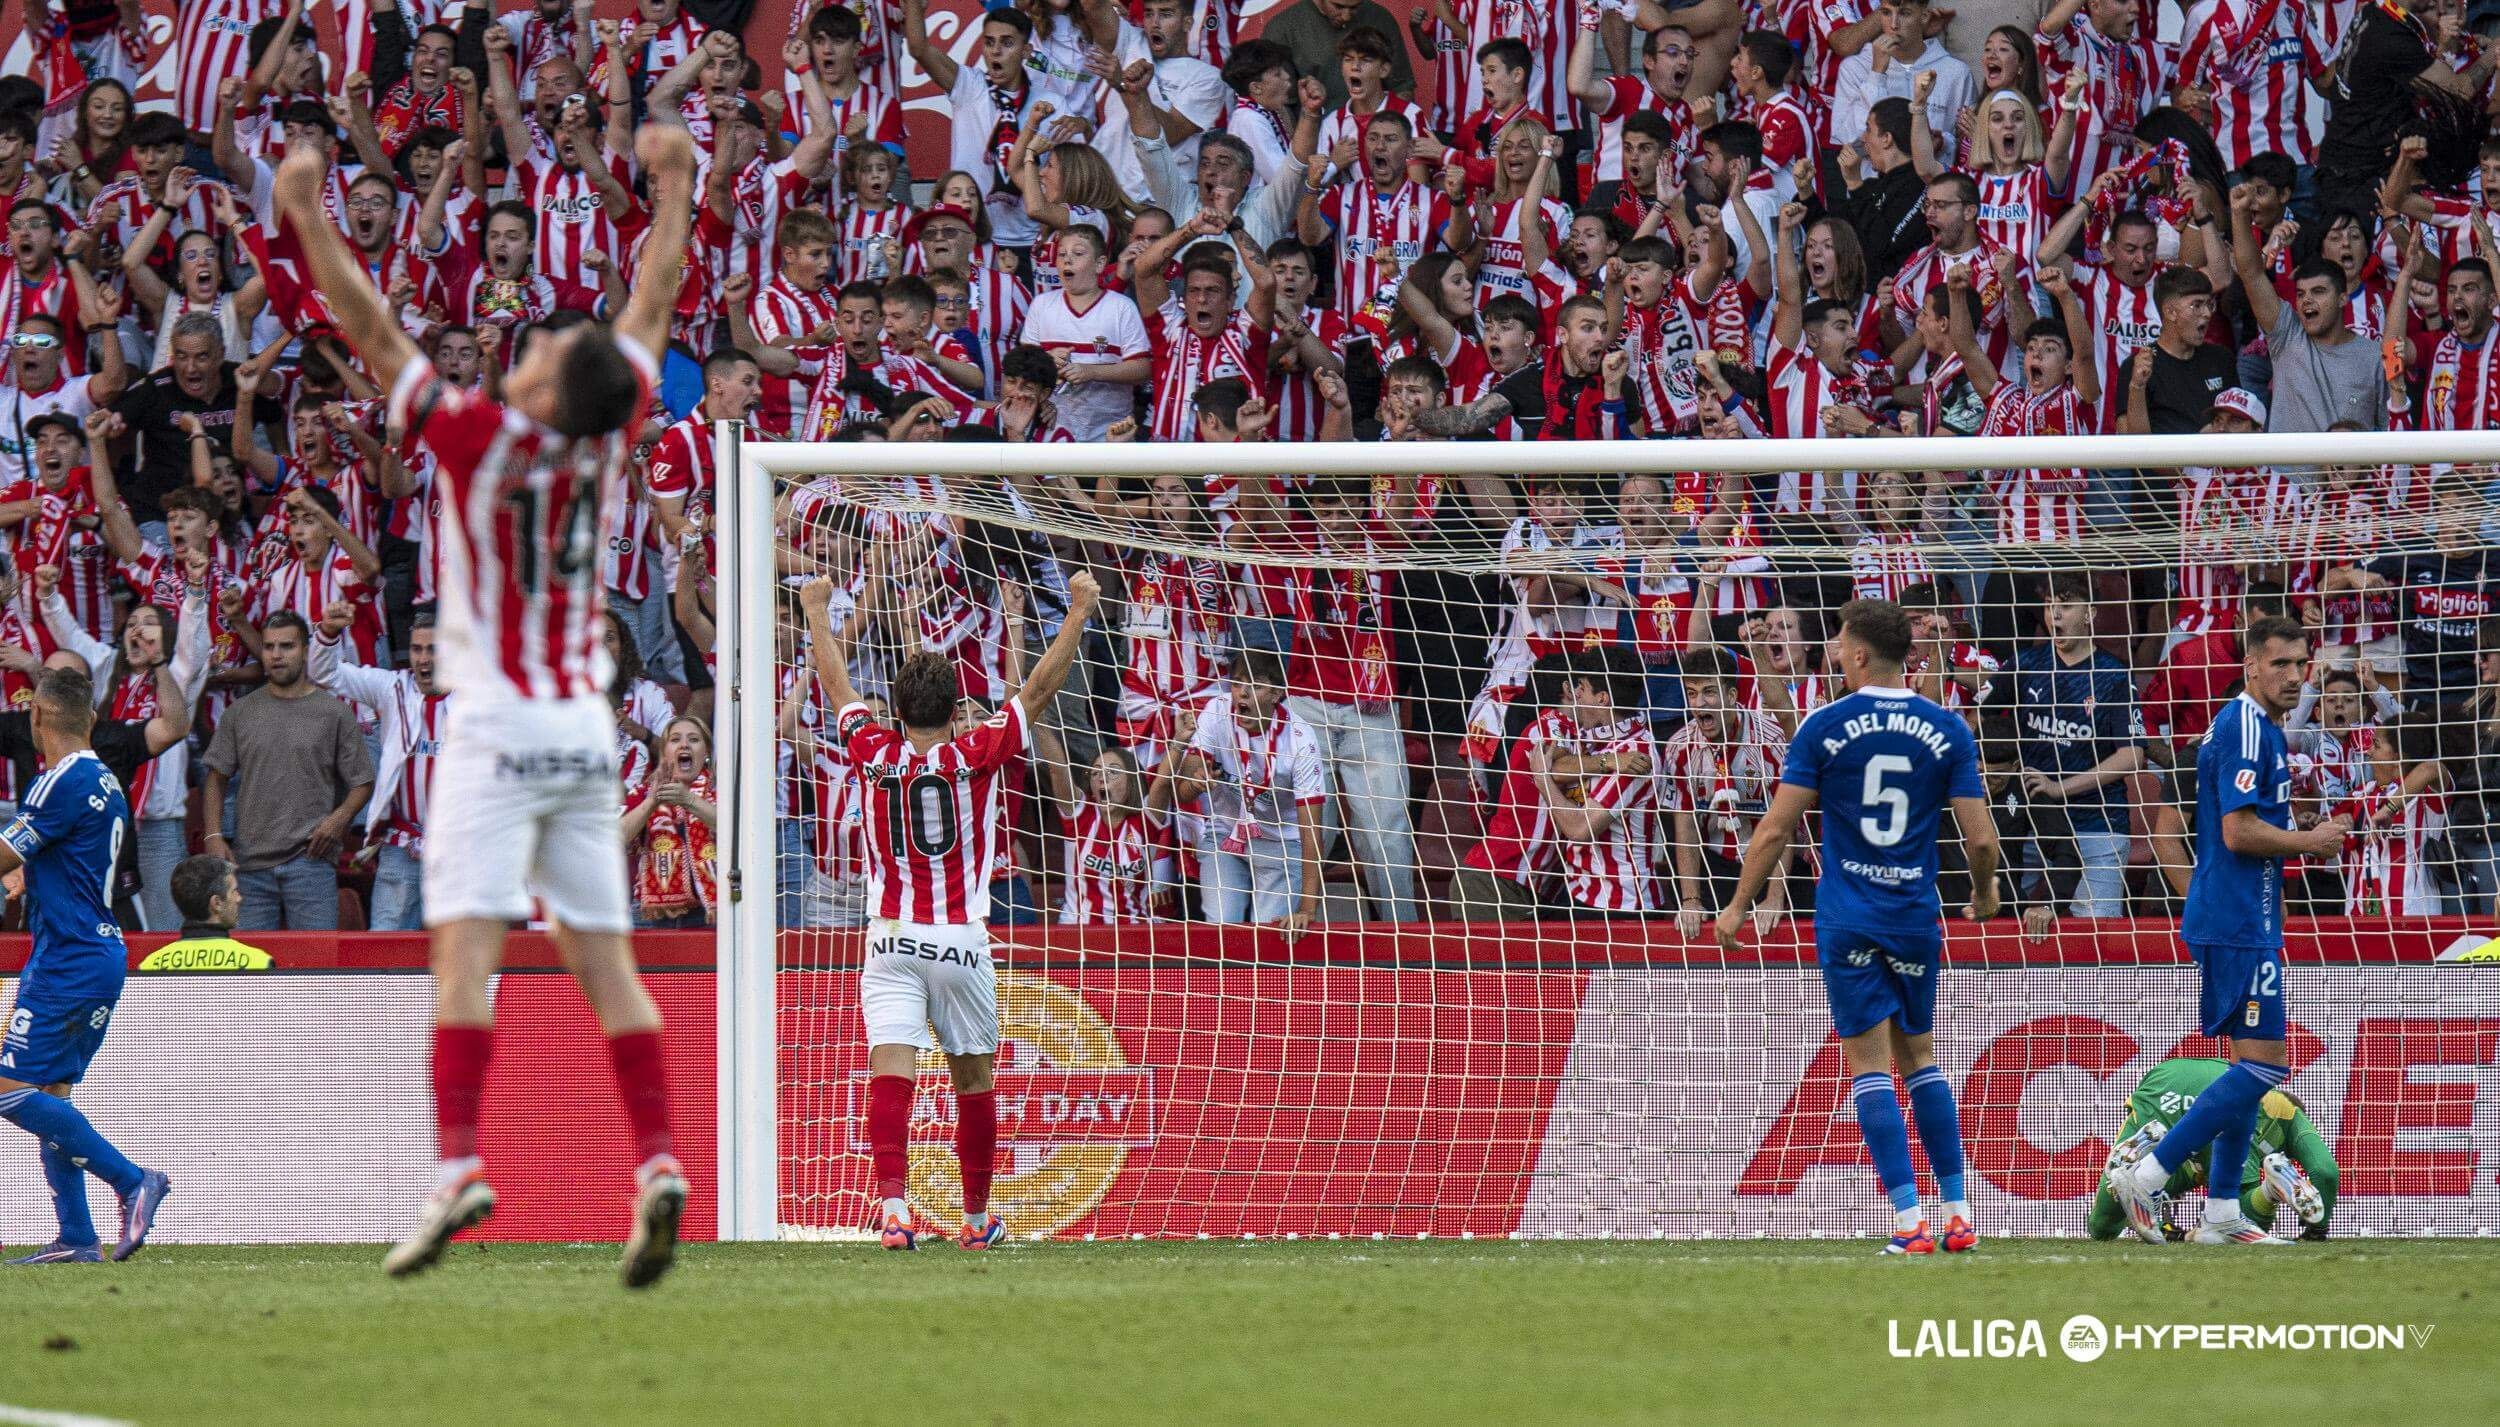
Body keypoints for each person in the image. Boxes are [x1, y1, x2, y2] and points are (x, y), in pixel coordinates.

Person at [274, 118, 703, 1286]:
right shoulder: (603, 441)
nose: (526, 348)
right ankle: (658, 1158)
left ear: (546, 381)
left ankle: (458, 1161)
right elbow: (653, 306)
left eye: (542, 347)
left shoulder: (471, 436)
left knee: (462, 958)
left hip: (496, 720)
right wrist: (675, 190)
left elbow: (366, 325)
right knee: (605, 967)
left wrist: (306, 210)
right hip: (582, 727)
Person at [800, 564, 1104, 1252]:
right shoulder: (975, 752)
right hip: (961, 942)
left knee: (892, 1070)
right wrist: (1079, 613)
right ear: (951, 706)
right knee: (973, 1079)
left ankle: (896, 1210)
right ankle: (973, 1220)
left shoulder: (874, 752)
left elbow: (838, 684)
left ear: (898, 713)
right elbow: (1037, 689)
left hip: (892, 940)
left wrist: (818, 610)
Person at [1716, 599, 1998, 1254]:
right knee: (1920, 1056)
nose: (1834, 653)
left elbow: (1776, 828)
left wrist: (1736, 905)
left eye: (1840, 644)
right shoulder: (1947, 728)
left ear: (1862, 653)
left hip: (1848, 916)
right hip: (1913, 915)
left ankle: (1908, 1222)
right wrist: (1983, 894)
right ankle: (1958, 1211)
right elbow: (1980, 838)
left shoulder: (1824, 726)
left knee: (1868, 1064)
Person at [2104, 614, 2353, 1246]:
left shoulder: (2257, 728)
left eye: (2302, 665)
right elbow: (2236, 831)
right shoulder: (2245, 726)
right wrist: (2311, 841)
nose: (2294, 676)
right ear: (2250, 666)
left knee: (2250, 1061)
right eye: (2280, 664)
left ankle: (2219, 1213)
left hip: (2248, 914)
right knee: (2268, 1068)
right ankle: (2150, 1173)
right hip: (2235, 918)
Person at [0, 668, 171, 1265]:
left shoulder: (57, 781)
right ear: (91, 720)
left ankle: (131, 1181)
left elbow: (7, 849)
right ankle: (77, 1237)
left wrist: (16, 862)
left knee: (8, 1090)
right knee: (52, 1095)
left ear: (37, 717)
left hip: (67, 958)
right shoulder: (105, 777)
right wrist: (30, 870)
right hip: (92, 950)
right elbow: (59, 853)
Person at [200, 612, 374, 929]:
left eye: (287, 646)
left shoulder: (334, 711)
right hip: (248, 866)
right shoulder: (239, 713)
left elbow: (362, 782)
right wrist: (213, 835)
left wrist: (338, 819)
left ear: (306, 650)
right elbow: (215, 777)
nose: (277, 655)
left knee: (316, 971)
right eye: (269, 647)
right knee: (250, 972)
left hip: (311, 862)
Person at [2088, 1056, 2335, 1243]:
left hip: (2169, 1075)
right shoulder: (2286, 1117)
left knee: (2100, 1228)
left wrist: (2177, 1234)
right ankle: (2271, 1190)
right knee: (2239, 1219)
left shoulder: (2266, 1088)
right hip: (2231, 1100)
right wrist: (2318, 1229)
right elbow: (2325, 1171)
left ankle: (2134, 1157)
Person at [134, 855, 273, 973]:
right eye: (234, 891)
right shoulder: (258, 963)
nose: (239, 898)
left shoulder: (151, 966)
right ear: (216, 903)